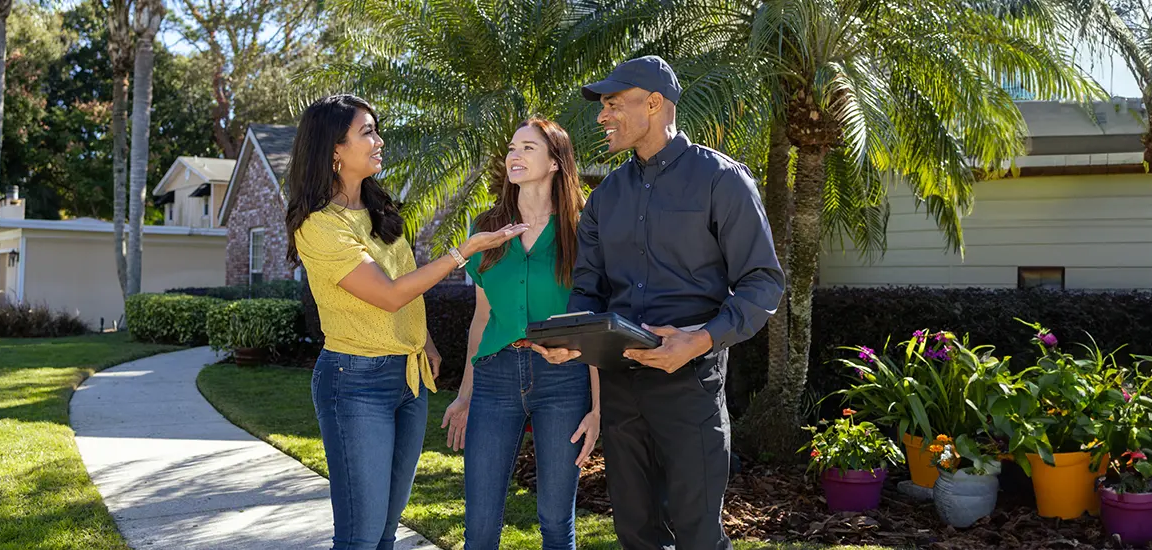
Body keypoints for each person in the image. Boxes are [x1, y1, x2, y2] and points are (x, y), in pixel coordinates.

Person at [532, 56, 785, 550]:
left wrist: (699, 340)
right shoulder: (605, 199)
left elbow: (763, 283)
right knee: (635, 532)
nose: (601, 117)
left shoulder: (722, 180)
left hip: (691, 385)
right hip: (621, 387)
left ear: (654, 104)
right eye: (601, 106)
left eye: (612, 104)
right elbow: (588, 289)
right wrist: (572, 341)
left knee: (697, 534)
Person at [286, 94, 527, 550]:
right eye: (367, 133)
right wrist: (465, 250)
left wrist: (427, 340)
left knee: (386, 531)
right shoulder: (319, 225)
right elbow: (390, 294)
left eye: (376, 130)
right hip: (355, 382)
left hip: (409, 377)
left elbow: (403, 281)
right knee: (360, 534)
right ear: (334, 150)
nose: (379, 141)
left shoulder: (378, 209)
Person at [440, 118, 599, 550]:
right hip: (495, 376)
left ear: (554, 162)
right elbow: (481, 318)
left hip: (564, 380)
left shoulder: (583, 229)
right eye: (512, 147)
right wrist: (465, 394)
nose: (515, 155)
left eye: (529, 148)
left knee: (554, 519)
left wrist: (597, 407)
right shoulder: (485, 228)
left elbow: (597, 318)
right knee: (481, 523)